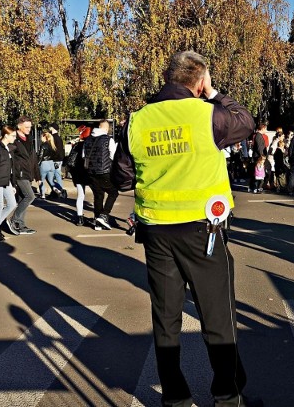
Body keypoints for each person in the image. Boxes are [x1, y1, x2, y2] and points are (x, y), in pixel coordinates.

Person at [111, 50, 257, 407]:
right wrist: (215, 93)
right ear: (199, 80)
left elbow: (122, 178)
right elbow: (247, 122)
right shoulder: (208, 114)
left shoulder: (137, 120)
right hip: (203, 231)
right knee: (217, 316)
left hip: (157, 233)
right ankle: (226, 395)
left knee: (166, 318)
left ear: (167, 77)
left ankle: (175, 397)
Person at [83, 119, 119, 230]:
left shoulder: (87, 140)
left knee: (98, 196)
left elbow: (83, 156)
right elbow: (113, 156)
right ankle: (104, 215)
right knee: (113, 193)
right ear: (106, 128)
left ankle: (97, 220)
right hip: (105, 172)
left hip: (91, 172)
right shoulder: (109, 140)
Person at [6, 115, 38, 235]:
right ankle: (14, 220)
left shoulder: (29, 139)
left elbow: (32, 157)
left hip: (27, 172)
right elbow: (8, 155)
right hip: (19, 173)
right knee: (30, 196)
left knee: (22, 198)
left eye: (30, 127)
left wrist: (36, 175)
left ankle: (20, 224)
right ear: (19, 126)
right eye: (27, 127)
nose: (29, 129)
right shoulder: (14, 139)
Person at [68, 126, 92, 226]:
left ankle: (80, 218)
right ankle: (98, 217)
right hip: (89, 173)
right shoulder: (91, 145)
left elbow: (70, 160)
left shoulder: (76, 145)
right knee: (97, 195)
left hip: (78, 172)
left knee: (80, 196)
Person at [37, 131, 66, 199]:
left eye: (41, 136)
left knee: (41, 180)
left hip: (44, 164)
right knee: (51, 181)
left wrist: (37, 164)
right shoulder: (52, 145)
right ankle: (60, 190)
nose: (40, 138)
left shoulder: (43, 145)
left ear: (44, 137)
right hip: (51, 163)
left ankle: (42, 195)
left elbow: (40, 156)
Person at [49, 124, 66, 190]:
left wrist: (54, 157)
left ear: (53, 128)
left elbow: (57, 150)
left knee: (56, 175)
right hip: (58, 158)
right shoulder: (58, 137)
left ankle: (60, 190)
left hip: (56, 159)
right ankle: (59, 190)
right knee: (56, 175)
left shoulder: (54, 138)